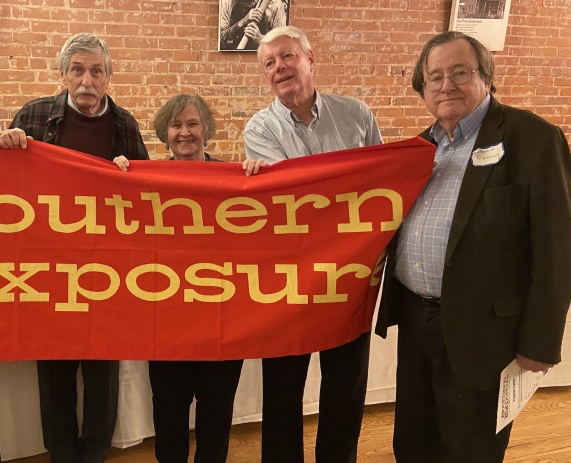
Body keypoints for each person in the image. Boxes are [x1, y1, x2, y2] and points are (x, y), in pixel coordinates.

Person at [375, 31, 571, 463]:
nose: (447, 85)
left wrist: (540, 343)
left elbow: (557, 252)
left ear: (486, 77)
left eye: (459, 72)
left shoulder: (533, 140)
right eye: (435, 77)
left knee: (471, 448)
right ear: (422, 89)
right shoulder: (419, 150)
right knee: (413, 441)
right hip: (415, 319)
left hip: (485, 332)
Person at [0, 32, 149, 463]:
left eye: (96, 71)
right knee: (54, 374)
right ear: (62, 75)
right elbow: (2, 191)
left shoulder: (124, 124)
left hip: (107, 272)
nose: (86, 80)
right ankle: (62, 455)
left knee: (103, 376)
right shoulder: (35, 114)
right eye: (77, 70)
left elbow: (149, 200)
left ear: (108, 77)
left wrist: (130, 173)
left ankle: (95, 453)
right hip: (49, 271)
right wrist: (4, 149)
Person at [241, 25, 383, 463]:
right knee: (282, 388)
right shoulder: (259, 128)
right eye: (269, 63)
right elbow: (297, 199)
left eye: (286, 57)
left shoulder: (356, 114)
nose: (278, 67)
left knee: (346, 386)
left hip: (348, 274)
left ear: (309, 58)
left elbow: (381, 182)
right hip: (289, 280)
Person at [114, 94, 245, 463]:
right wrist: (115, 176)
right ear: (165, 132)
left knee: (216, 416)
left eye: (192, 124)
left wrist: (258, 175)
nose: (184, 133)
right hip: (167, 322)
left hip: (221, 321)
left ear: (206, 130)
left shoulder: (234, 181)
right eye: (176, 125)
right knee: (169, 416)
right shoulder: (148, 178)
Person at [219, 0, 287, 51]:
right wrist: (243, 22)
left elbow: (281, 45)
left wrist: (261, 39)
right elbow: (220, 42)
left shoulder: (275, 6)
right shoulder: (227, 2)